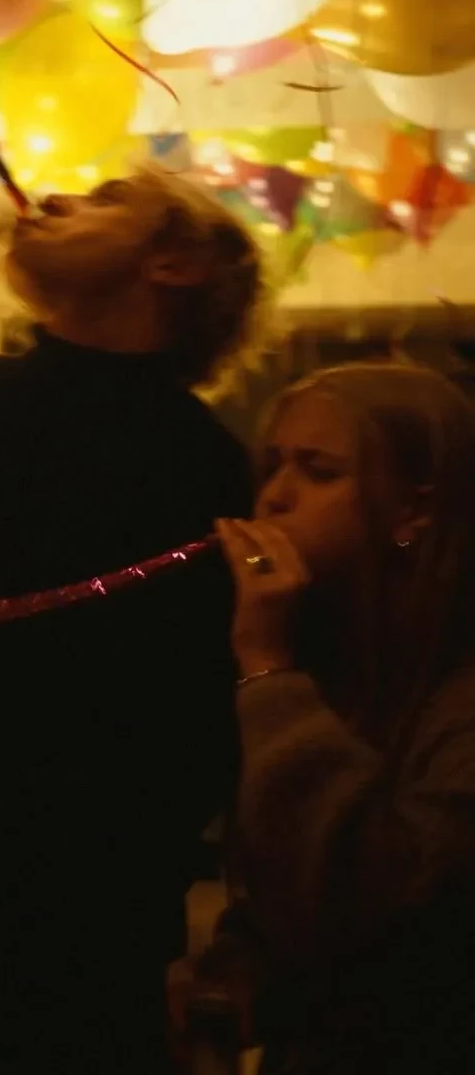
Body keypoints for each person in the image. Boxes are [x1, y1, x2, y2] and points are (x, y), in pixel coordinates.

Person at [0, 167, 265, 1073]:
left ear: (176, 263)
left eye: (106, 197)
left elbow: (194, 732)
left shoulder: (215, 470)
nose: (55, 199)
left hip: (86, 950)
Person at [201, 362, 475, 1075]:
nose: (275, 497)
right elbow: (282, 877)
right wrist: (239, 969)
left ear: (413, 512)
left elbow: (374, 903)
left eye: (318, 471)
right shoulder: (338, 660)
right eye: (274, 465)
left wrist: (267, 666)